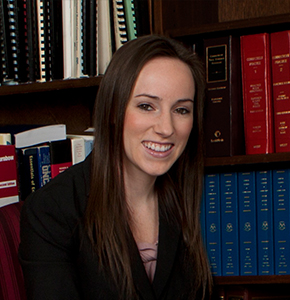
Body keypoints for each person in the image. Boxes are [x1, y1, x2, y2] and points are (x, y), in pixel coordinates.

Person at [19, 35, 212, 300]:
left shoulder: (184, 197)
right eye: (146, 106)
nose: (166, 128)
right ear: (113, 110)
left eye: (181, 110)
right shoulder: (52, 210)